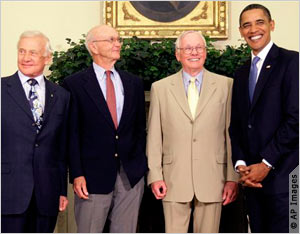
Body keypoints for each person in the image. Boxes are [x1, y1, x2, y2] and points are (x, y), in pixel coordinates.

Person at [146, 30, 239, 233]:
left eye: (198, 48)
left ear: (205, 52)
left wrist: (232, 177)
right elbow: (154, 137)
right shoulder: (160, 88)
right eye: (188, 48)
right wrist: (155, 175)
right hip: (172, 179)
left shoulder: (227, 86)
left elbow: (232, 136)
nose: (194, 52)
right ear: (178, 54)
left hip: (214, 178)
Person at [62, 24, 147, 233]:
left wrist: (141, 165)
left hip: (131, 176)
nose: (117, 44)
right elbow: (71, 135)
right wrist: (77, 174)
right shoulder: (73, 84)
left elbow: (139, 129)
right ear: (94, 47)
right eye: (111, 40)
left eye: (118, 39)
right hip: (91, 177)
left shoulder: (133, 83)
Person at [229, 4, 299, 233]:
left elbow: (295, 119)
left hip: (284, 179)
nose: (253, 29)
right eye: (246, 25)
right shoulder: (240, 74)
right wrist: (241, 165)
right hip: (252, 181)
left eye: (259, 22)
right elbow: (237, 125)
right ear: (240, 31)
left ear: (271, 25)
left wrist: (266, 163)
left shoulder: (292, 63)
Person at [1, 31, 69, 233]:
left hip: (46, 194)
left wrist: (61, 190)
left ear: (47, 58)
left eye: (32, 52)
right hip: (7, 192)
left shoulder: (62, 96)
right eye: (21, 51)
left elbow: (61, 148)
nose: (25, 58)